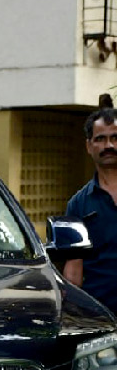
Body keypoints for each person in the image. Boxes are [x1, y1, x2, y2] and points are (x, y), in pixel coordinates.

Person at [64, 95, 117, 315]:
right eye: (100, 139)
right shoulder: (78, 204)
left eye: (115, 138)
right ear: (89, 146)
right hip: (101, 316)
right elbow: (74, 270)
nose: (109, 145)